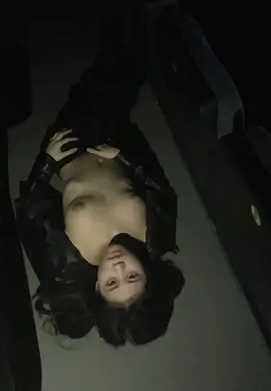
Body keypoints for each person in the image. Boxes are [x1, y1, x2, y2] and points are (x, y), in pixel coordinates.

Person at [15, 49, 184, 346]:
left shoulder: (64, 265)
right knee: (117, 78)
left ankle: (133, 43)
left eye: (111, 283)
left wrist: (46, 163)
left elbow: (28, 211)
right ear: (147, 274)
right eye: (132, 276)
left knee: (105, 81)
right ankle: (135, 43)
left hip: (68, 145)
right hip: (115, 138)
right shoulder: (156, 235)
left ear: (97, 288)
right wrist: (125, 157)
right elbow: (161, 188)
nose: (119, 266)